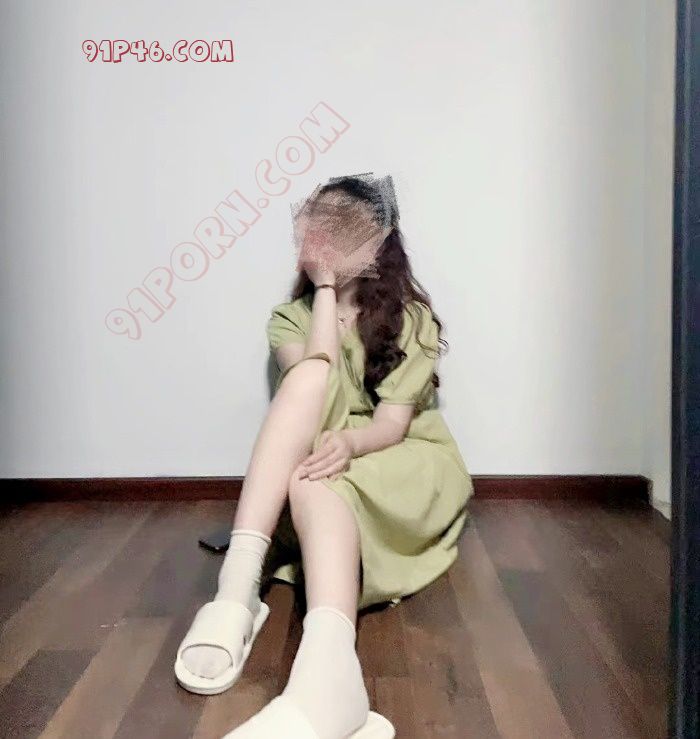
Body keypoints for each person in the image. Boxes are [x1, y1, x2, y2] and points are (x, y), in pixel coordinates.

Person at [173, 174, 474, 739]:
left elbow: (391, 425)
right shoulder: (291, 318)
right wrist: (328, 289)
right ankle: (246, 599)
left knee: (317, 474)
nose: (326, 242)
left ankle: (317, 653)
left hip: (403, 456)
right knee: (311, 441)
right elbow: (318, 386)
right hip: (320, 444)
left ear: (376, 242)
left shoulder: (410, 318)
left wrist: (351, 443)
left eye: (344, 231)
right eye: (318, 229)